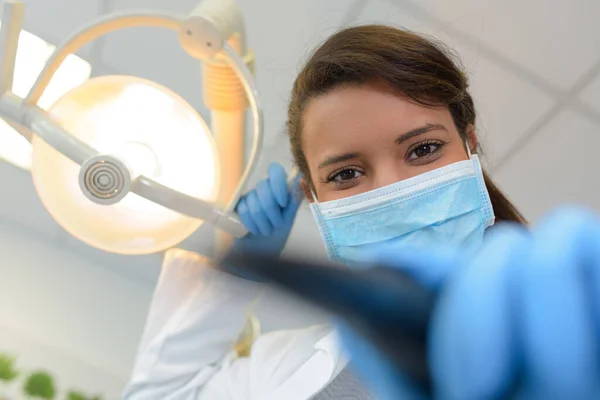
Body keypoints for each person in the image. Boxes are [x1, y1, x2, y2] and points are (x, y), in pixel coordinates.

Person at [123, 24, 527, 399]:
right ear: (313, 198)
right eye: (347, 173)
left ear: (469, 145)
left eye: (423, 149)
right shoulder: (284, 366)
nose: (392, 190)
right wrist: (234, 278)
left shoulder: (564, 333)